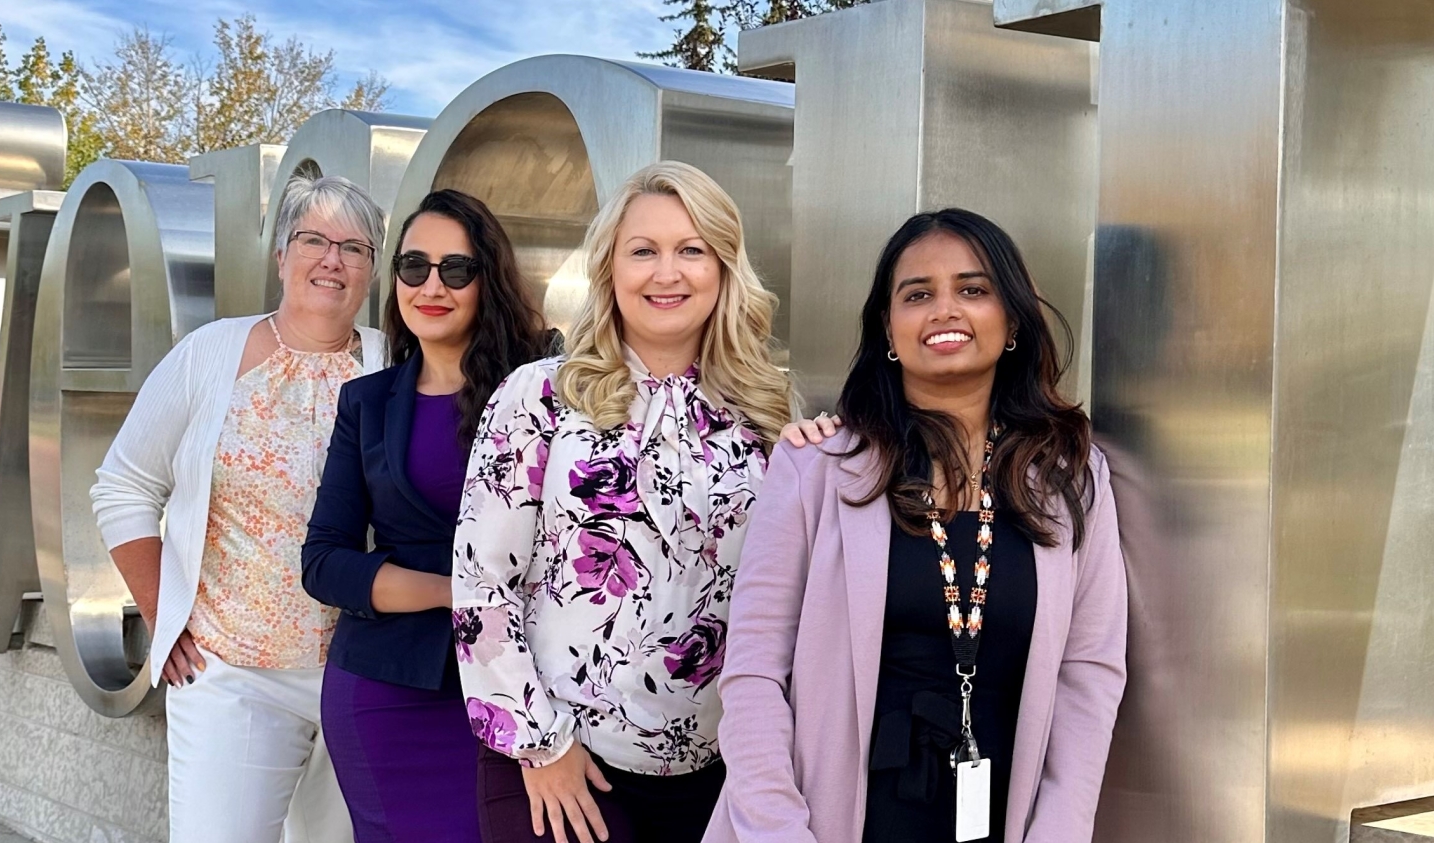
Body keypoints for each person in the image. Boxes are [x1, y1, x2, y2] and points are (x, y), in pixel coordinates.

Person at [707, 208, 1128, 843]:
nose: (945, 310)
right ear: (888, 327)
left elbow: (1089, 674)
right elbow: (753, 673)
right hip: (829, 824)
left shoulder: (1072, 477)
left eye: (973, 289)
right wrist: (779, 831)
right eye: (918, 295)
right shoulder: (814, 468)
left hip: (1005, 821)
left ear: (1013, 319)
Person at [451, 160, 796, 843]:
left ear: (724, 268)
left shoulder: (767, 415)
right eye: (643, 251)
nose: (667, 273)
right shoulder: (540, 395)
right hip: (563, 763)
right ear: (609, 268)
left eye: (691, 250)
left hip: (718, 773)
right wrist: (542, 745)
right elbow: (482, 581)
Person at [90, 174, 389, 843]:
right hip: (233, 670)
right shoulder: (210, 354)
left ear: (372, 268)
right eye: (313, 240)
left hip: (362, 675)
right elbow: (123, 485)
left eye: (354, 247)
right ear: (281, 255)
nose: (333, 259)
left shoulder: (392, 363)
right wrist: (163, 614)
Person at [302, 189, 554, 842]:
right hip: (387, 695)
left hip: (528, 692)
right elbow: (324, 562)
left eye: (456, 269)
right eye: (414, 266)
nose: (431, 286)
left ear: (487, 279)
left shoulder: (547, 385)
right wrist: (461, 594)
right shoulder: (367, 402)